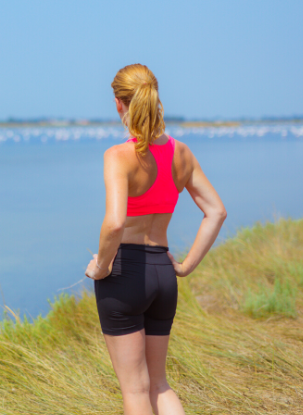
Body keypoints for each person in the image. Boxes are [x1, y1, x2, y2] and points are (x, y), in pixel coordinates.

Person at [84, 64, 227, 415]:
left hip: (125, 275)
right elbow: (217, 212)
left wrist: (101, 266)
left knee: (135, 390)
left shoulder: (118, 157)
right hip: (163, 273)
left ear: (119, 104)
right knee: (159, 385)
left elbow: (115, 223)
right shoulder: (181, 153)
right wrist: (186, 265)